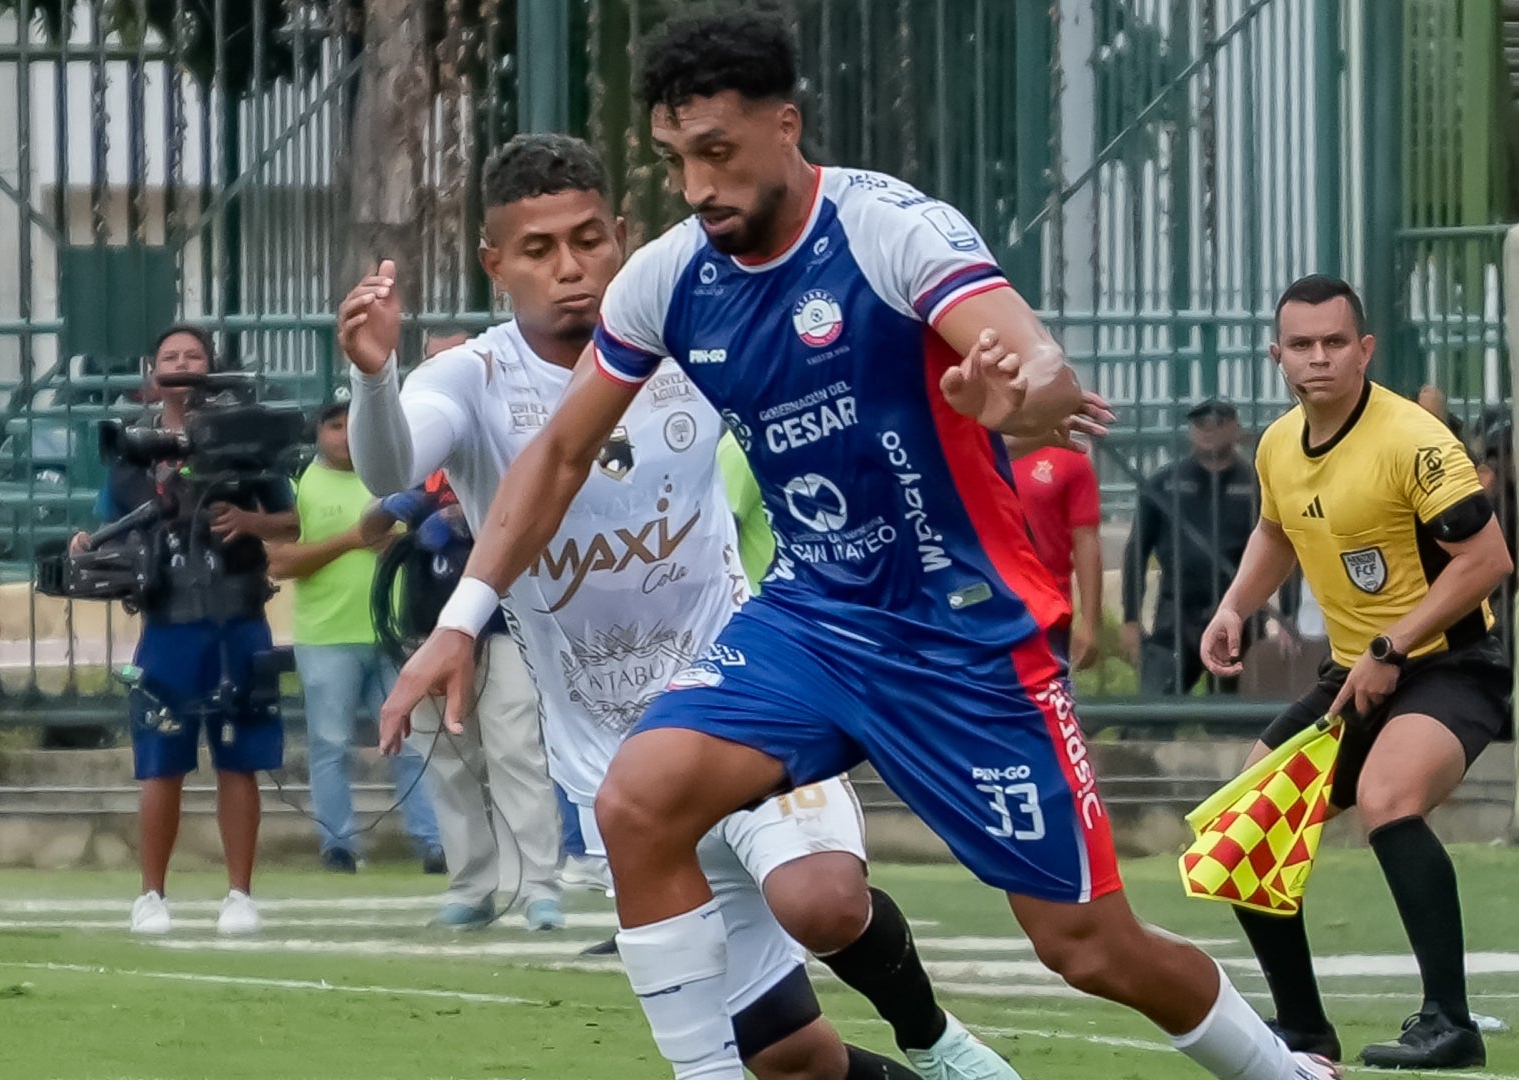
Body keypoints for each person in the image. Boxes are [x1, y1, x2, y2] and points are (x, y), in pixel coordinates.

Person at [382, 15, 1335, 1080]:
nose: (696, 185)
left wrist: (1013, 399)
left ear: (785, 128)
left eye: (718, 152)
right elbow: (557, 456)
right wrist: (461, 621)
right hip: (815, 621)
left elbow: (1039, 371)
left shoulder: (888, 230)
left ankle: (1282, 1071)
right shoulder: (668, 278)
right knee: (636, 801)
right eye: (676, 158)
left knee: (1087, 947)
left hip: (964, 636)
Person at [347, 132, 1019, 1080]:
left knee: (821, 901)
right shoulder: (476, 377)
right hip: (611, 756)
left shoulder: (689, 335)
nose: (571, 269)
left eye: (588, 239)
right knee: (793, 1058)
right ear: (493, 263)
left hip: (746, 694)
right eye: (538, 250)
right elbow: (389, 465)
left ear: (623, 236)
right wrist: (375, 376)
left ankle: (939, 1042)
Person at [1201, 275, 1514, 1069]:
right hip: (1352, 674)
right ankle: (1303, 1029)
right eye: (1301, 345)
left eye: (1335, 343)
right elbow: (1277, 529)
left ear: (1364, 349)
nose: (1319, 359)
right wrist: (1234, 606)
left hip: (1450, 667)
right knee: (1246, 830)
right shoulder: (1277, 445)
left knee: (1386, 799)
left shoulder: (1414, 439)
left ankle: (1451, 1022)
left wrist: (1392, 648)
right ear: (1276, 356)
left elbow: (1486, 560)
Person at [71, 325, 298, 936]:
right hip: (168, 623)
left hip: (238, 617)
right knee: (160, 760)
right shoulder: (130, 454)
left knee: (238, 759)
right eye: (169, 356)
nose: (181, 365)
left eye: (192, 355)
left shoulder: (246, 441)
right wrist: (87, 545)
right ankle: (152, 894)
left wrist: (251, 520)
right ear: (153, 374)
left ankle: (240, 894)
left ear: (211, 366)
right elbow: (104, 528)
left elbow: (290, 523)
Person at [362, 473, 564, 930]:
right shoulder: (417, 461)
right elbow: (368, 531)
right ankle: (471, 888)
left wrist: (472, 519)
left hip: (505, 628)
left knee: (515, 753)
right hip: (426, 629)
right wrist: (395, 505)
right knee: (449, 762)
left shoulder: (498, 457)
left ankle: (538, 887)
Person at [266, 399, 446, 875]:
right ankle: (338, 844)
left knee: (414, 741)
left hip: (395, 632)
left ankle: (432, 842)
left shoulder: (400, 479)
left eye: (354, 426)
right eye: (334, 426)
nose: (345, 435)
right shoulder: (298, 487)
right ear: (318, 433)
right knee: (330, 745)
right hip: (326, 636)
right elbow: (279, 562)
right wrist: (353, 538)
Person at [1120, 399, 1269, 696]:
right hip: (1176, 614)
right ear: (1190, 432)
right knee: (1154, 714)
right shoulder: (1164, 482)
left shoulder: (1257, 484)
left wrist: (1290, 616)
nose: (1209, 432)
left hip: (1240, 612)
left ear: (1236, 430)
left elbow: (1282, 546)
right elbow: (1137, 551)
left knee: (1236, 723)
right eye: (1201, 425)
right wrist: (1131, 619)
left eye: (1219, 424)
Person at [1011, 443, 1103, 670]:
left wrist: (1090, 623)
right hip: (981, 607)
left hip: (1046, 612)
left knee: (1043, 699)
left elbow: (1086, 541)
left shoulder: (1070, 459)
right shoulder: (976, 448)